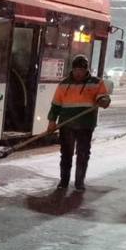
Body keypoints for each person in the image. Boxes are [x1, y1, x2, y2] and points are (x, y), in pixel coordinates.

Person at [46, 54, 111, 190]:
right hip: (67, 125)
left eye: (82, 70)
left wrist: (104, 101)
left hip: (85, 125)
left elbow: (103, 98)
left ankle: (79, 182)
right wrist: (52, 121)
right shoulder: (64, 84)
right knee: (66, 154)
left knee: (83, 154)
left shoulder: (96, 83)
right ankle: (64, 182)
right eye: (76, 70)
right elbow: (56, 104)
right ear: (73, 69)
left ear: (86, 70)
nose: (79, 73)